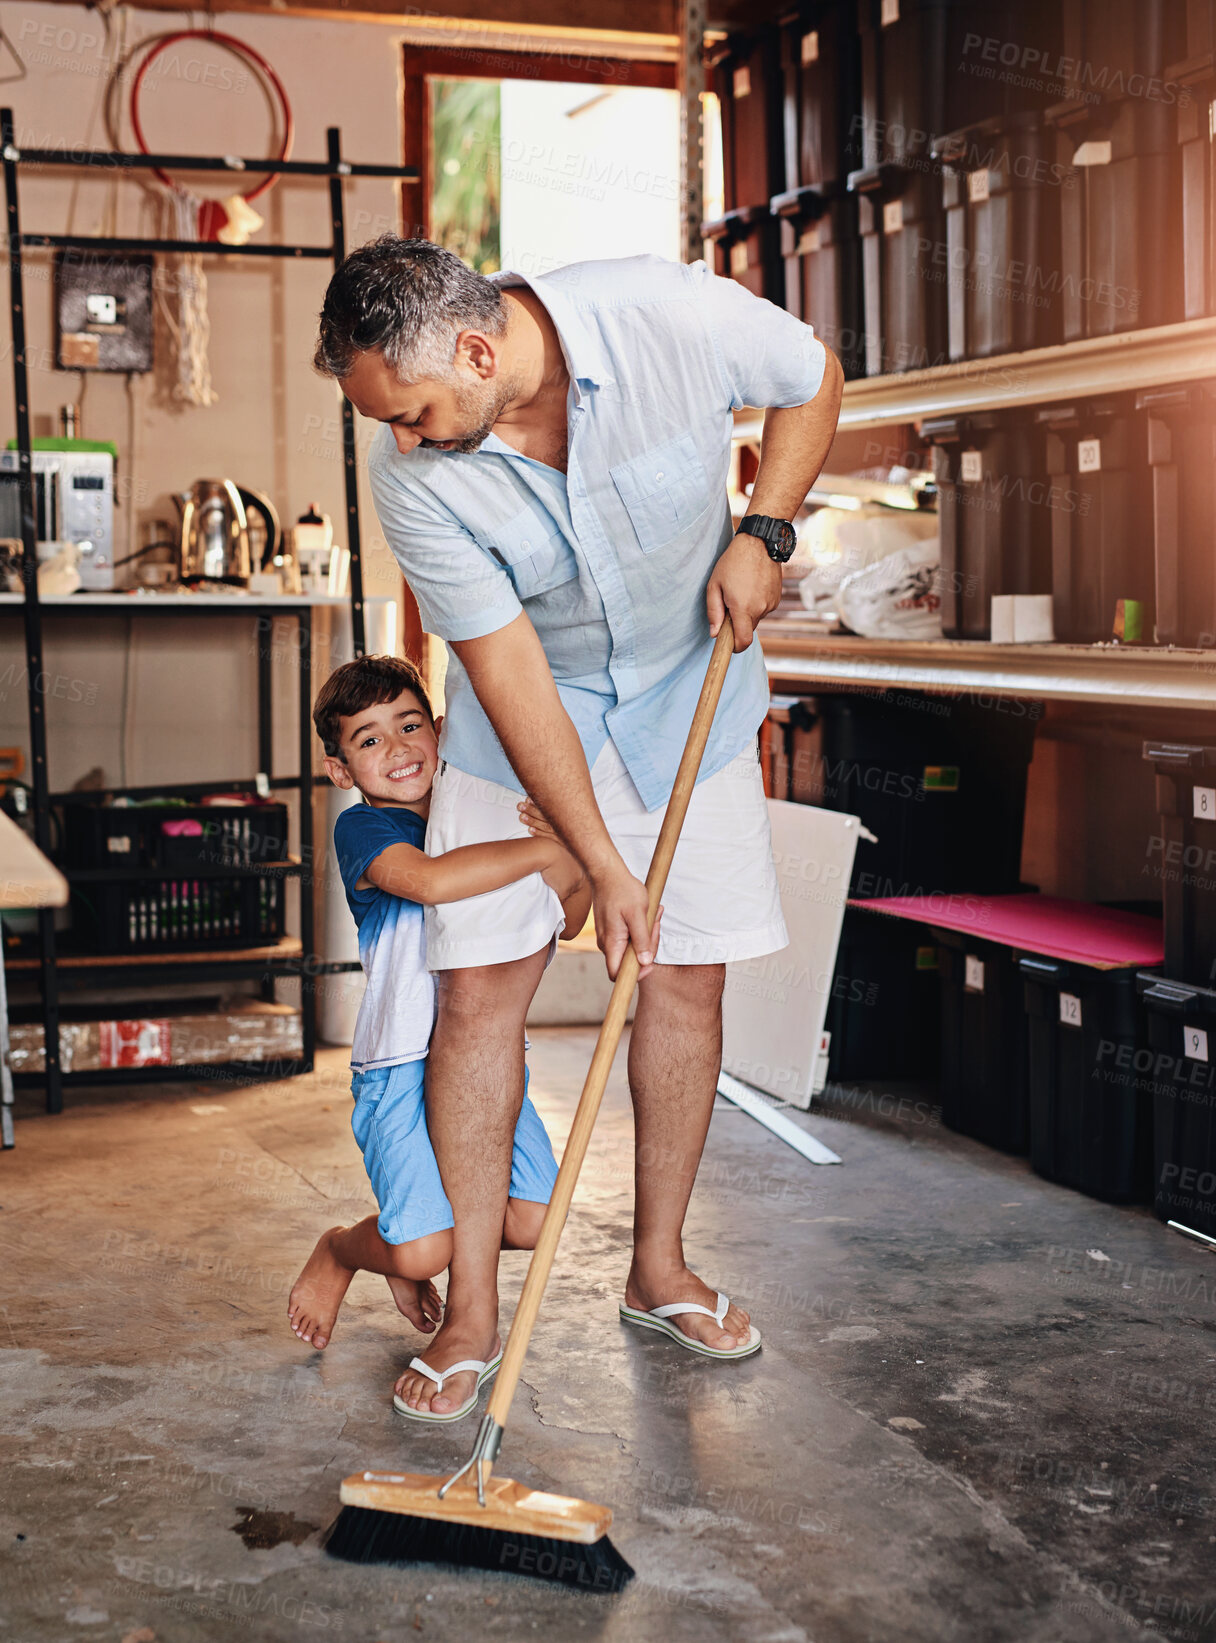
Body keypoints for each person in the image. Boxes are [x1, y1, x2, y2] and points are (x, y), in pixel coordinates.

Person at [314, 238, 844, 1418]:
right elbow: (505, 672)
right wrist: (598, 862)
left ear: (474, 346)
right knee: (479, 993)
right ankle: (470, 1316)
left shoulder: (661, 314)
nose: (401, 438)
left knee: (682, 981)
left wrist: (764, 532)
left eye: (413, 411)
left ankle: (658, 1267)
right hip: (530, 720)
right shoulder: (410, 475)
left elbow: (812, 375)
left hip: (686, 691)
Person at [287, 653, 590, 1423]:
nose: (397, 748)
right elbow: (427, 881)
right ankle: (345, 1249)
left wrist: (570, 855)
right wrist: (547, 849)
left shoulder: (481, 814)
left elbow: (574, 916)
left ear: (441, 727)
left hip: (487, 1063)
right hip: (398, 1069)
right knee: (429, 1251)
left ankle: (410, 1244)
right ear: (338, 768)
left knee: (530, 1218)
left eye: (410, 724)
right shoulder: (364, 829)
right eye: (368, 740)